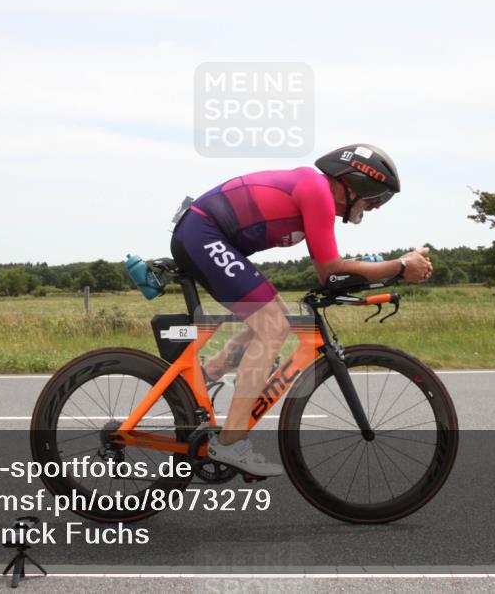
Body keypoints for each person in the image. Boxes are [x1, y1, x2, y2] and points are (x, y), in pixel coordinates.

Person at [169, 144, 434, 476]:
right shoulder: (318, 192)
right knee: (273, 327)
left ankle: (206, 378)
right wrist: (399, 266)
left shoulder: (315, 192)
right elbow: (331, 271)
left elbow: (332, 275)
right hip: (202, 231)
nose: (376, 207)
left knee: (274, 317)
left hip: (204, 232)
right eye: (376, 197)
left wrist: (396, 269)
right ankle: (231, 441)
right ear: (355, 183)